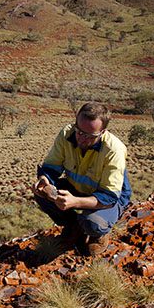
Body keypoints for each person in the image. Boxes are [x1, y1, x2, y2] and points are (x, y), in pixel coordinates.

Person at [32, 102, 132, 256]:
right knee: (42, 194)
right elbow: (51, 168)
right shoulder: (67, 134)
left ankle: (99, 235)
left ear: (103, 132)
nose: (81, 138)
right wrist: (44, 179)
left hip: (108, 197)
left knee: (93, 224)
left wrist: (75, 202)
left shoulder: (114, 150)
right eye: (79, 131)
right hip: (77, 187)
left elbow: (109, 197)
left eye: (89, 136)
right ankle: (73, 226)